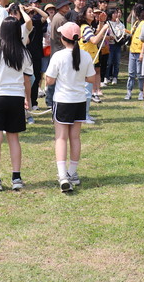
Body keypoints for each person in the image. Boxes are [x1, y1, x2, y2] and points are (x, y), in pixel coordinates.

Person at [0, 17, 33, 192]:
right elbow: (27, 80)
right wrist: (28, 99)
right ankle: (16, 177)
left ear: (1, 31)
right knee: (14, 139)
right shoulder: (24, 53)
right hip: (16, 98)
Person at [45, 22, 96, 192]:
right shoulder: (86, 56)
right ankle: (72, 173)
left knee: (61, 138)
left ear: (62, 38)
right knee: (75, 138)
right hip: (79, 100)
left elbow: (49, 80)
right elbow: (91, 78)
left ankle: (63, 175)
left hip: (63, 100)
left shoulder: (58, 56)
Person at [77, 5, 109, 114]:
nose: (92, 14)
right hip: (86, 61)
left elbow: (96, 32)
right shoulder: (85, 28)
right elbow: (94, 40)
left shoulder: (87, 27)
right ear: (84, 14)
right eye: (90, 12)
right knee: (87, 89)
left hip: (88, 60)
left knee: (87, 88)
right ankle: (84, 114)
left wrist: (101, 22)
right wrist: (104, 28)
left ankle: (85, 114)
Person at [46, 0, 72, 109]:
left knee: (54, 76)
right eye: (65, 5)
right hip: (59, 49)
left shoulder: (58, 17)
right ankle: (50, 101)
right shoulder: (61, 19)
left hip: (56, 49)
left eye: (67, 5)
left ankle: (50, 100)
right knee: (56, 77)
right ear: (60, 7)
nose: (67, 7)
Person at [125, 4, 144, 101]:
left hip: (139, 52)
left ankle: (141, 92)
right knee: (131, 73)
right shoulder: (136, 23)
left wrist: (142, 52)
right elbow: (133, 34)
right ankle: (129, 91)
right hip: (132, 50)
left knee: (140, 74)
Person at [105, 8, 125, 85]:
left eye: (117, 13)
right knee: (109, 62)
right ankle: (106, 77)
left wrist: (118, 23)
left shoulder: (120, 23)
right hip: (110, 44)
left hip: (117, 45)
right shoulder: (107, 23)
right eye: (114, 13)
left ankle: (115, 77)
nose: (116, 15)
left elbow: (122, 32)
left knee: (117, 62)